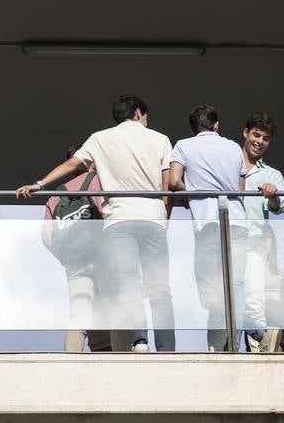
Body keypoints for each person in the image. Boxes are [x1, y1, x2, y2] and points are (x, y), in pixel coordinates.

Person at [17, 95, 174, 353]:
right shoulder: (160, 139)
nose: (146, 121)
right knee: (159, 289)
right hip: (152, 219)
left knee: (128, 286)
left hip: (118, 223)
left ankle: (140, 342)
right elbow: (167, 187)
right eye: (145, 116)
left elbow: (71, 165)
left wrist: (39, 185)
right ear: (138, 112)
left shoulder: (100, 138)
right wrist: (164, 219)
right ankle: (167, 349)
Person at [167, 106, 246, 352]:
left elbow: (173, 181)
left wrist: (191, 194)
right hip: (236, 219)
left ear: (193, 127)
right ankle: (229, 343)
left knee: (210, 288)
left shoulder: (183, 145)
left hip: (207, 222)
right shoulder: (234, 147)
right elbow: (240, 187)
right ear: (216, 125)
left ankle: (216, 344)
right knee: (236, 285)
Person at [43, 149, 112, 353]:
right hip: (103, 258)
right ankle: (123, 365)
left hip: (75, 262)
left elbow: (46, 237)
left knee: (79, 315)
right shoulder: (99, 181)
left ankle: (70, 364)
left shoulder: (56, 194)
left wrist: (66, 256)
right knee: (115, 313)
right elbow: (110, 218)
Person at [239, 112, 284, 350]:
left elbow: (280, 208)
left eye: (266, 138)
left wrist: (273, 196)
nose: (259, 141)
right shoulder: (227, 163)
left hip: (253, 245)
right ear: (245, 133)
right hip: (223, 242)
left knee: (254, 301)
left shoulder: (272, 175)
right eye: (256, 135)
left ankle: (258, 353)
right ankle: (218, 352)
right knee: (220, 302)